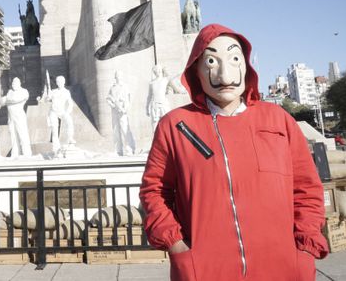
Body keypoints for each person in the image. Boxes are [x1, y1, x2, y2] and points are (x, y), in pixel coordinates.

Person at [140, 24, 328, 281]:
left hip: (284, 268)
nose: (225, 75)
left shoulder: (278, 120)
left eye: (234, 58)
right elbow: (155, 190)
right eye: (211, 61)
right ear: (196, 70)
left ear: (246, 66)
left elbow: (307, 189)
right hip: (205, 271)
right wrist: (176, 245)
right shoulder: (175, 125)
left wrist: (305, 247)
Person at [1, 77, 32, 157]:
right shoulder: (10, 92)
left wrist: (7, 100)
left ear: (19, 83)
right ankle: (15, 153)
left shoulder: (24, 91)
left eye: (15, 83)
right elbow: (1, 102)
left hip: (19, 116)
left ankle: (27, 153)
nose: (13, 85)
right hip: (11, 117)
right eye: (12, 83)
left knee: (22, 134)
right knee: (13, 136)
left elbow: (17, 99)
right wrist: (8, 99)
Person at [106, 71, 136, 156]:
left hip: (123, 109)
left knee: (125, 129)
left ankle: (130, 148)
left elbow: (129, 98)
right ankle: (118, 150)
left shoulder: (125, 87)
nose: (117, 77)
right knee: (116, 130)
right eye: (116, 76)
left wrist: (125, 108)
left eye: (119, 76)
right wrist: (112, 105)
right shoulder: (112, 88)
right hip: (115, 110)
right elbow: (108, 98)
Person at [45, 75, 75, 154]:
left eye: (61, 81)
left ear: (64, 82)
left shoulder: (66, 92)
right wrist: (47, 97)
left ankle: (70, 139)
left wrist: (68, 112)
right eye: (58, 82)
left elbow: (70, 103)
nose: (59, 83)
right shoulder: (53, 91)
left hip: (62, 111)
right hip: (53, 112)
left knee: (69, 123)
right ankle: (56, 147)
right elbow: (46, 100)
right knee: (54, 129)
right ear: (57, 83)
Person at [146, 64, 170, 132]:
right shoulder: (151, 83)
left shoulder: (165, 80)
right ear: (154, 72)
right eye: (156, 70)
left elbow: (171, 76)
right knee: (155, 126)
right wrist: (147, 107)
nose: (158, 72)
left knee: (167, 122)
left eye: (159, 70)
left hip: (163, 104)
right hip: (154, 105)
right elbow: (149, 96)